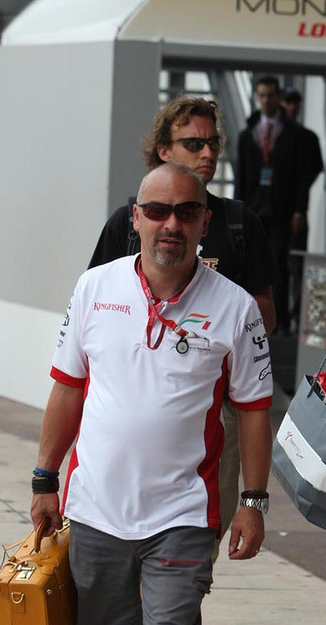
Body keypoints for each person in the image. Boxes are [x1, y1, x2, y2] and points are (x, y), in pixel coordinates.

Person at [30, 162, 273, 625]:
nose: (172, 225)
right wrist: (44, 479)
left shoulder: (234, 307)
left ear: (204, 222)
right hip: (97, 511)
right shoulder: (95, 288)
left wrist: (252, 499)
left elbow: (254, 411)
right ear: (135, 216)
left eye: (186, 213)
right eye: (158, 211)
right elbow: (68, 388)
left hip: (184, 514)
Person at [89, 96, 278, 542]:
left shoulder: (237, 223)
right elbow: (93, 311)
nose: (208, 153)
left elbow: (265, 312)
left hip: (213, 404)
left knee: (193, 546)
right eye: (194, 142)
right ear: (164, 150)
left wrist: (210, 319)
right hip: (128, 405)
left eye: (213, 142)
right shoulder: (127, 222)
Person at [235, 75, 310, 333]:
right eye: (262, 95)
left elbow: (301, 175)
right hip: (255, 206)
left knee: (279, 262)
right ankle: (253, 317)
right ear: (257, 97)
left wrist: (300, 208)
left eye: (271, 95)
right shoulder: (247, 134)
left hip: (281, 207)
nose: (266, 100)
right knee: (251, 262)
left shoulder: (293, 134)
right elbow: (241, 176)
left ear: (278, 97)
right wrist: (238, 209)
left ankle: (280, 319)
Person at [280, 86, 324, 323]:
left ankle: (293, 316)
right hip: (279, 211)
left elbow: (313, 170)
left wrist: (299, 206)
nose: (292, 107)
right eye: (288, 102)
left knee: (296, 265)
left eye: (295, 102)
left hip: (295, 211)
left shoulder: (304, 137)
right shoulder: (272, 134)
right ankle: (285, 317)